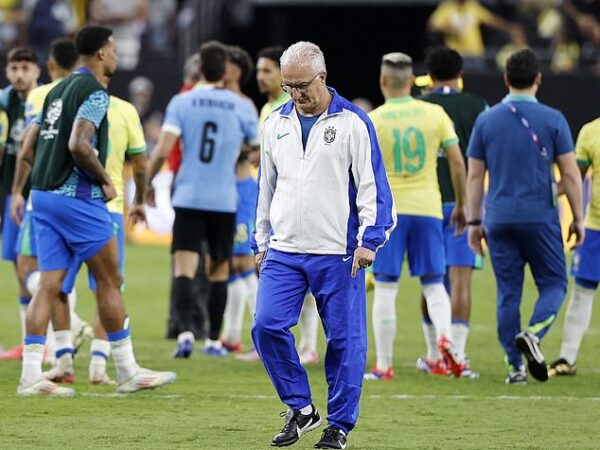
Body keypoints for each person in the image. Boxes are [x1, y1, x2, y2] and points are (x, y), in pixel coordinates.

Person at [11, 25, 176, 396]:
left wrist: (23, 189)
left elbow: (27, 147)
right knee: (109, 280)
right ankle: (127, 369)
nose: (116, 56)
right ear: (102, 53)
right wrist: (104, 180)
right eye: (114, 49)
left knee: (49, 283)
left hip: (44, 195)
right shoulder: (95, 93)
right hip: (77, 198)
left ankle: (31, 375)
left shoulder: (54, 92)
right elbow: (79, 144)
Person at [251, 41, 395, 449]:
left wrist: (370, 239)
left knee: (345, 341)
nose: (296, 94)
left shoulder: (353, 122)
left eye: (302, 85)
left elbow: (374, 187)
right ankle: (301, 407)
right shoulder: (274, 124)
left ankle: (339, 425)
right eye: (288, 87)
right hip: (284, 249)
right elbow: (266, 187)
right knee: (265, 325)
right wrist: (260, 239)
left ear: (323, 77)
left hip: (340, 251)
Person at [467, 49, 584, 384]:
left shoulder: (486, 121)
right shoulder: (554, 119)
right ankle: (533, 333)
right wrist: (577, 217)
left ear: (505, 79)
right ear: (538, 79)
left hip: (499, 218)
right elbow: (571, 174)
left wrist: (475, 222)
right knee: (555, 283)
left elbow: (475, 177)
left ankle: (514, 366)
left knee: (508, 292)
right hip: (541, 216)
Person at [147, 41, 259, 358]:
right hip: (224, 197)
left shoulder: (183, 102)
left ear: (198, 70)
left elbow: (163, 149)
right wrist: (235, 154)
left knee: (184, 268)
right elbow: (256, 148)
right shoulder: (241, 106)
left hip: (189, 196)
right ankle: (212, 340)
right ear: (224, 70)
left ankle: (184, 335)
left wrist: (146, 186)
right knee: (219, 271)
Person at [364, 52, 468, 381]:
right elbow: (456, 161)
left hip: (390, 212)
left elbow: (361, 172)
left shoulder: (374, 120)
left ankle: (384, 364)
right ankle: (446, 342)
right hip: (428, 207)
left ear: (383, 81)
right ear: (412, 81)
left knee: (386, 287)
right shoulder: (434, 113)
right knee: (435, 284)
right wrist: (463, 204)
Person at [417, 46, 488, 377]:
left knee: (431, 280)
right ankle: (457, 354)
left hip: (426, 202)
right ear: (461, 73)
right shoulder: (478, 107)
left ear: (429, 75)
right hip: (466, 205)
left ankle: (433, 353)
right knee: (460, 281)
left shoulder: (421, 106)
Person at [548, 116, 600, 377]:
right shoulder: (591, 131)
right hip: (595, 227)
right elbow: (573, 177)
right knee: (581, 292)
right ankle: (567, 358)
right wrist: (542, 191)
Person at [0, 47, 40, 361]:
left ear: (38, 72)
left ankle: (54, 335)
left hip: (39, 195)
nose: (19, 75)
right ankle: (30, 341)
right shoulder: (4, 102)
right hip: (11, 196)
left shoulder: (45, 102)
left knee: (37, 266)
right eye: (14, 68)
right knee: (18, 264)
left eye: (25, 68)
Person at [220, 45, 260, 354]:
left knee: (245, 262)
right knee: (232, 266)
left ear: (235, 70)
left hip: (243, 188)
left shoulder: (243, 105)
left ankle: (263, 338)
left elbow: (255, 147)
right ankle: (231, 335)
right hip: (223, 189)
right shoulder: (219, 100)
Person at [428, 0, 522, 66]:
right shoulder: (447, 7)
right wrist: (450, 30)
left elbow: (492, 20)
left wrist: (509, 27)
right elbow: (433, 26)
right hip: (457, 56)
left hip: (476, 54)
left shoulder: (472, 6)